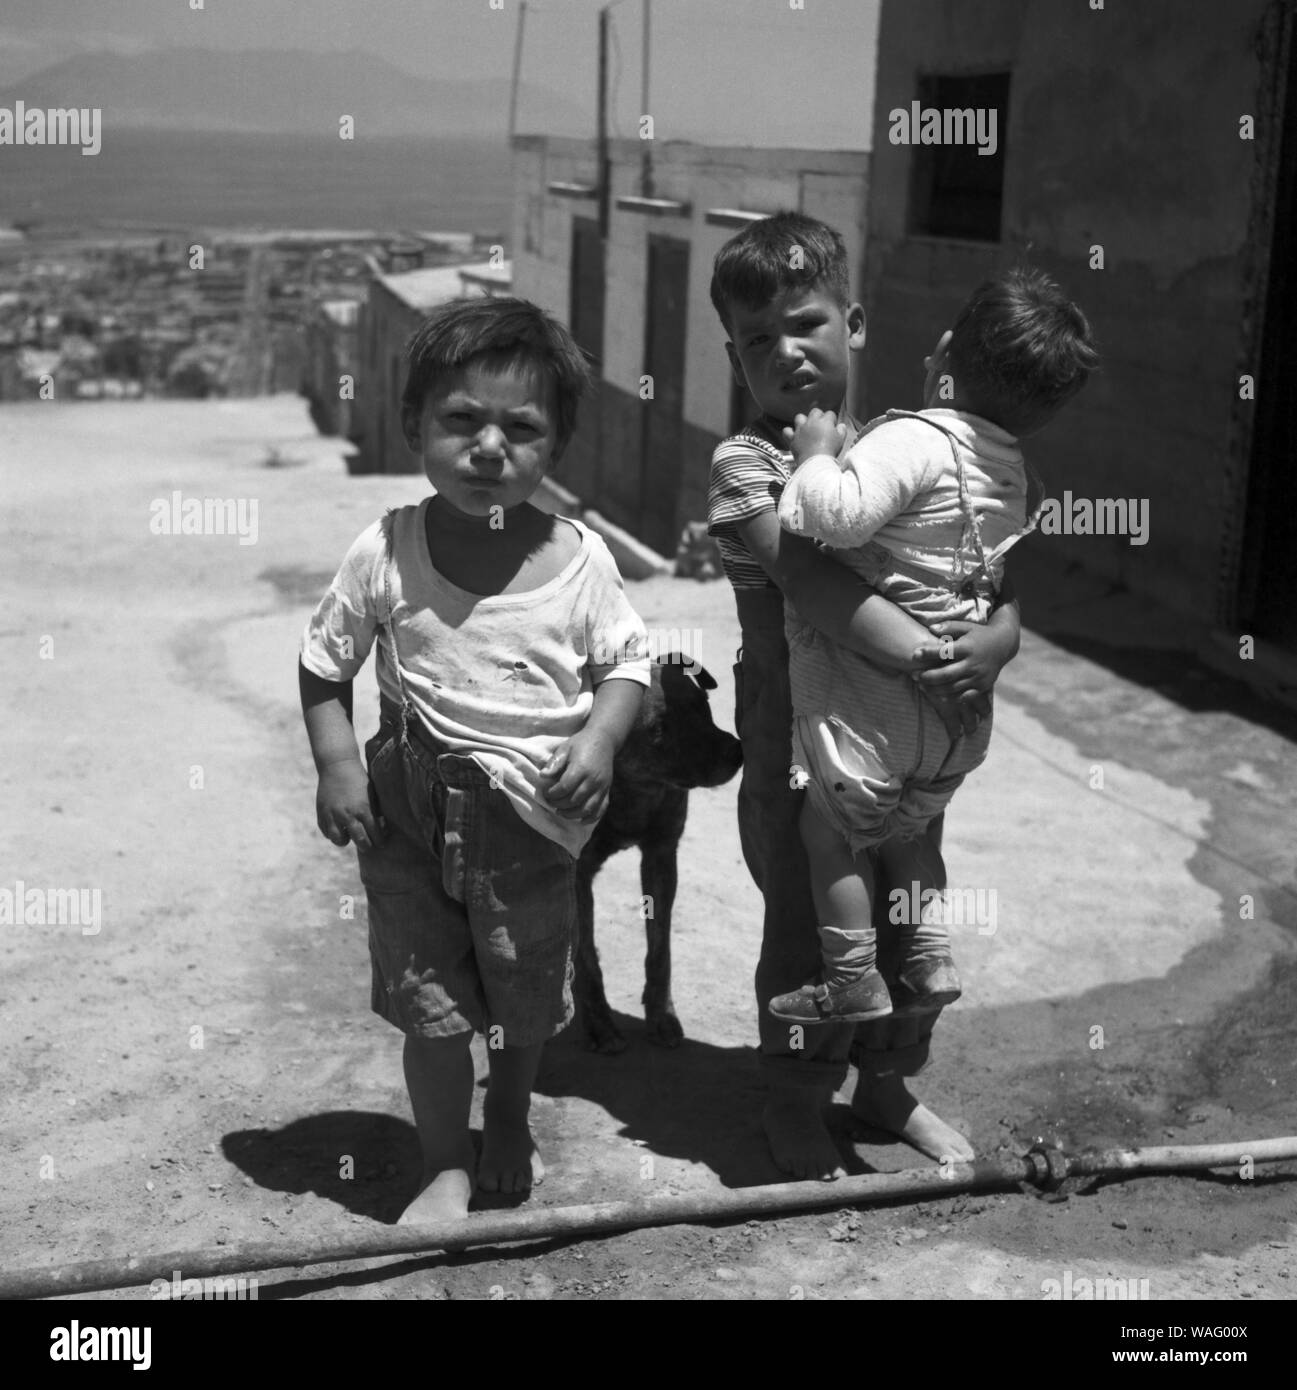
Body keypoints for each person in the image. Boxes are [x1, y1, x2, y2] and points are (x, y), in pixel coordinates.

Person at [299, 297, 649, 1224]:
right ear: (416, 423)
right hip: (408, 823)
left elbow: (628, 667)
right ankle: (444, 1161)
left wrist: (601, 739)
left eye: (520, 428)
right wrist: (338, 767)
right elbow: (322, 666)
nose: (488, 446)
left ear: (556, 448)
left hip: (532, 828)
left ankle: (508, 1113)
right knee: (432, 1004)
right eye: (460, 420)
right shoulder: (385, 549)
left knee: (521, 998)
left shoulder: (581, 562)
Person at [707, 212, 1020, 1176]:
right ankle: (797, 1099)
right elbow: (812, 584)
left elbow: (991, 573)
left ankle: (886, 1089)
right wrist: (936, 659)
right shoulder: (748, 465)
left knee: (908, 919)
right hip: (799, 732)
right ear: (733, 356)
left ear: (854, 322)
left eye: (804, 323)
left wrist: (997, 641)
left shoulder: (900, 449)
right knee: (809, 929)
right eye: (758, 340)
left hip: (908, 730)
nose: (785, 352)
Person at [770, 267, 1098, 1026]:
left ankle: (850, 979)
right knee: (912, 837)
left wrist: (815, 455)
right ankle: (927, 955)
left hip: (875, 717)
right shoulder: (1014, 469)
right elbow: (997, 576)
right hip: (957, 723)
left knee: (830, 835)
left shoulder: (914, 439)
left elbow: (838, 518)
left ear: (943, 352)